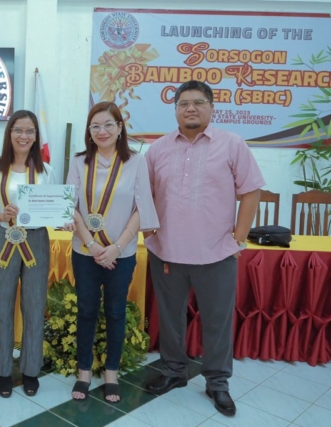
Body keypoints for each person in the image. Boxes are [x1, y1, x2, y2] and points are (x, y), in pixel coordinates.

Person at [144, 80, 264, 416]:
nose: (191, 108)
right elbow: (145, 192)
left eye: (198, 102)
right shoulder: (158, 148)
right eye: (184, 103)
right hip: (166, 250)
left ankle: (217, 381)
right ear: (176, 110)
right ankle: (174, 371)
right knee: (170, 318)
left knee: (217, 320)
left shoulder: (232, 145)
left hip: (216, 253)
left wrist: (239, 238)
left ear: (212, 108)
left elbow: (251, 191)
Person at [65, 101, 158, 403]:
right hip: (85, 252)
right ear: (88, 133)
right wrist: (92, 245)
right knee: (86, 311)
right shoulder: (79, 162)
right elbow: (72, 208)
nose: (101, 131)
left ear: (120, 128)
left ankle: (111, 373)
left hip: (123, 253)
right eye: (95, 126)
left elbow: (141, 208)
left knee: (116, 312)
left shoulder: (136, 162)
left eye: (108, 125)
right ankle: (83, 372)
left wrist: (117, 247)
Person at [0, 110, 55, 398]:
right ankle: (1, 369)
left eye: (30, 131)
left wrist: (64, 217)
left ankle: (31, 370)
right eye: (18, 130)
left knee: (35, 306)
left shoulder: (46, 171)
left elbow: (54, 209)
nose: (24, 136)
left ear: (36, 136)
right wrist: (2, 214)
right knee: (3, 305)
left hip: (36, 239)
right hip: (4, 238)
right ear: (9, 133)